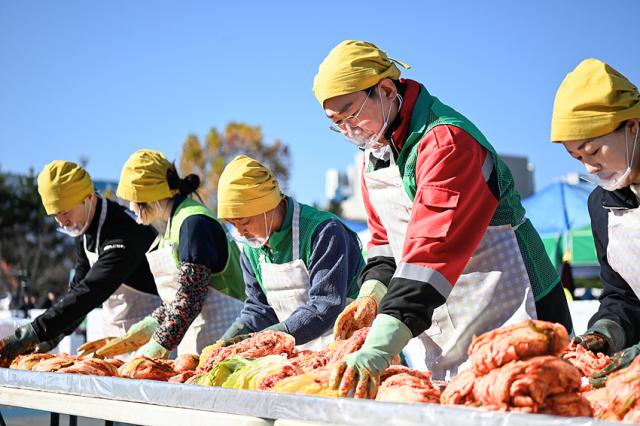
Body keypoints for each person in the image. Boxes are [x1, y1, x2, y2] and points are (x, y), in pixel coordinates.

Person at [312, 40, 573, 397]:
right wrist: (371, 295)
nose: (348, 131)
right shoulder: (374, 155)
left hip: (513, 306)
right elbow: (385, 245)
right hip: (443, 316)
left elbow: (430, 254)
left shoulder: (446, 141)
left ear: (387, 90)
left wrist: (377, 349)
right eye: (337, 123)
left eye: (351, 115)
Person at [0, 161, 161, 366]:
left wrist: (34, 332)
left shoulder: (124, 230)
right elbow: (76, 288)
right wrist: (53, 336)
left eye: (65, 212)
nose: (61, 222)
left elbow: (91, 290)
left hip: (155, 337)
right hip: (117, 339)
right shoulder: (83, 228)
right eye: (55, 215)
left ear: (88, 197)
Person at [550, 58, 640, 386]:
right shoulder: (601, 204)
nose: (589, 168)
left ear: (632, 126)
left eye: (594, 150)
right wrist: (604, 335)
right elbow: (623, 296)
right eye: (577, 158)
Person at [216, 156, 364, 350]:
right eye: (233, 225)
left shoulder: (322, 231)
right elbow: (260, 309)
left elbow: (325, 304)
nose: (241, 232)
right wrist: (226, 342)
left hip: (350, 346)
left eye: (244, 223)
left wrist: (270, 338)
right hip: (301, 356)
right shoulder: (251, 249)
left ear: (267, 206)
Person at [109, 149, 245, 358]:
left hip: (225, 336)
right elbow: (178, 296)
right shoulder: (171, 227)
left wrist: (158, 344)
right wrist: (152, 323)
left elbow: (191, 295)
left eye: (132, 200)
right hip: (199, 341)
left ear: (148, 195)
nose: (131, 207)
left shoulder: (193, 223)